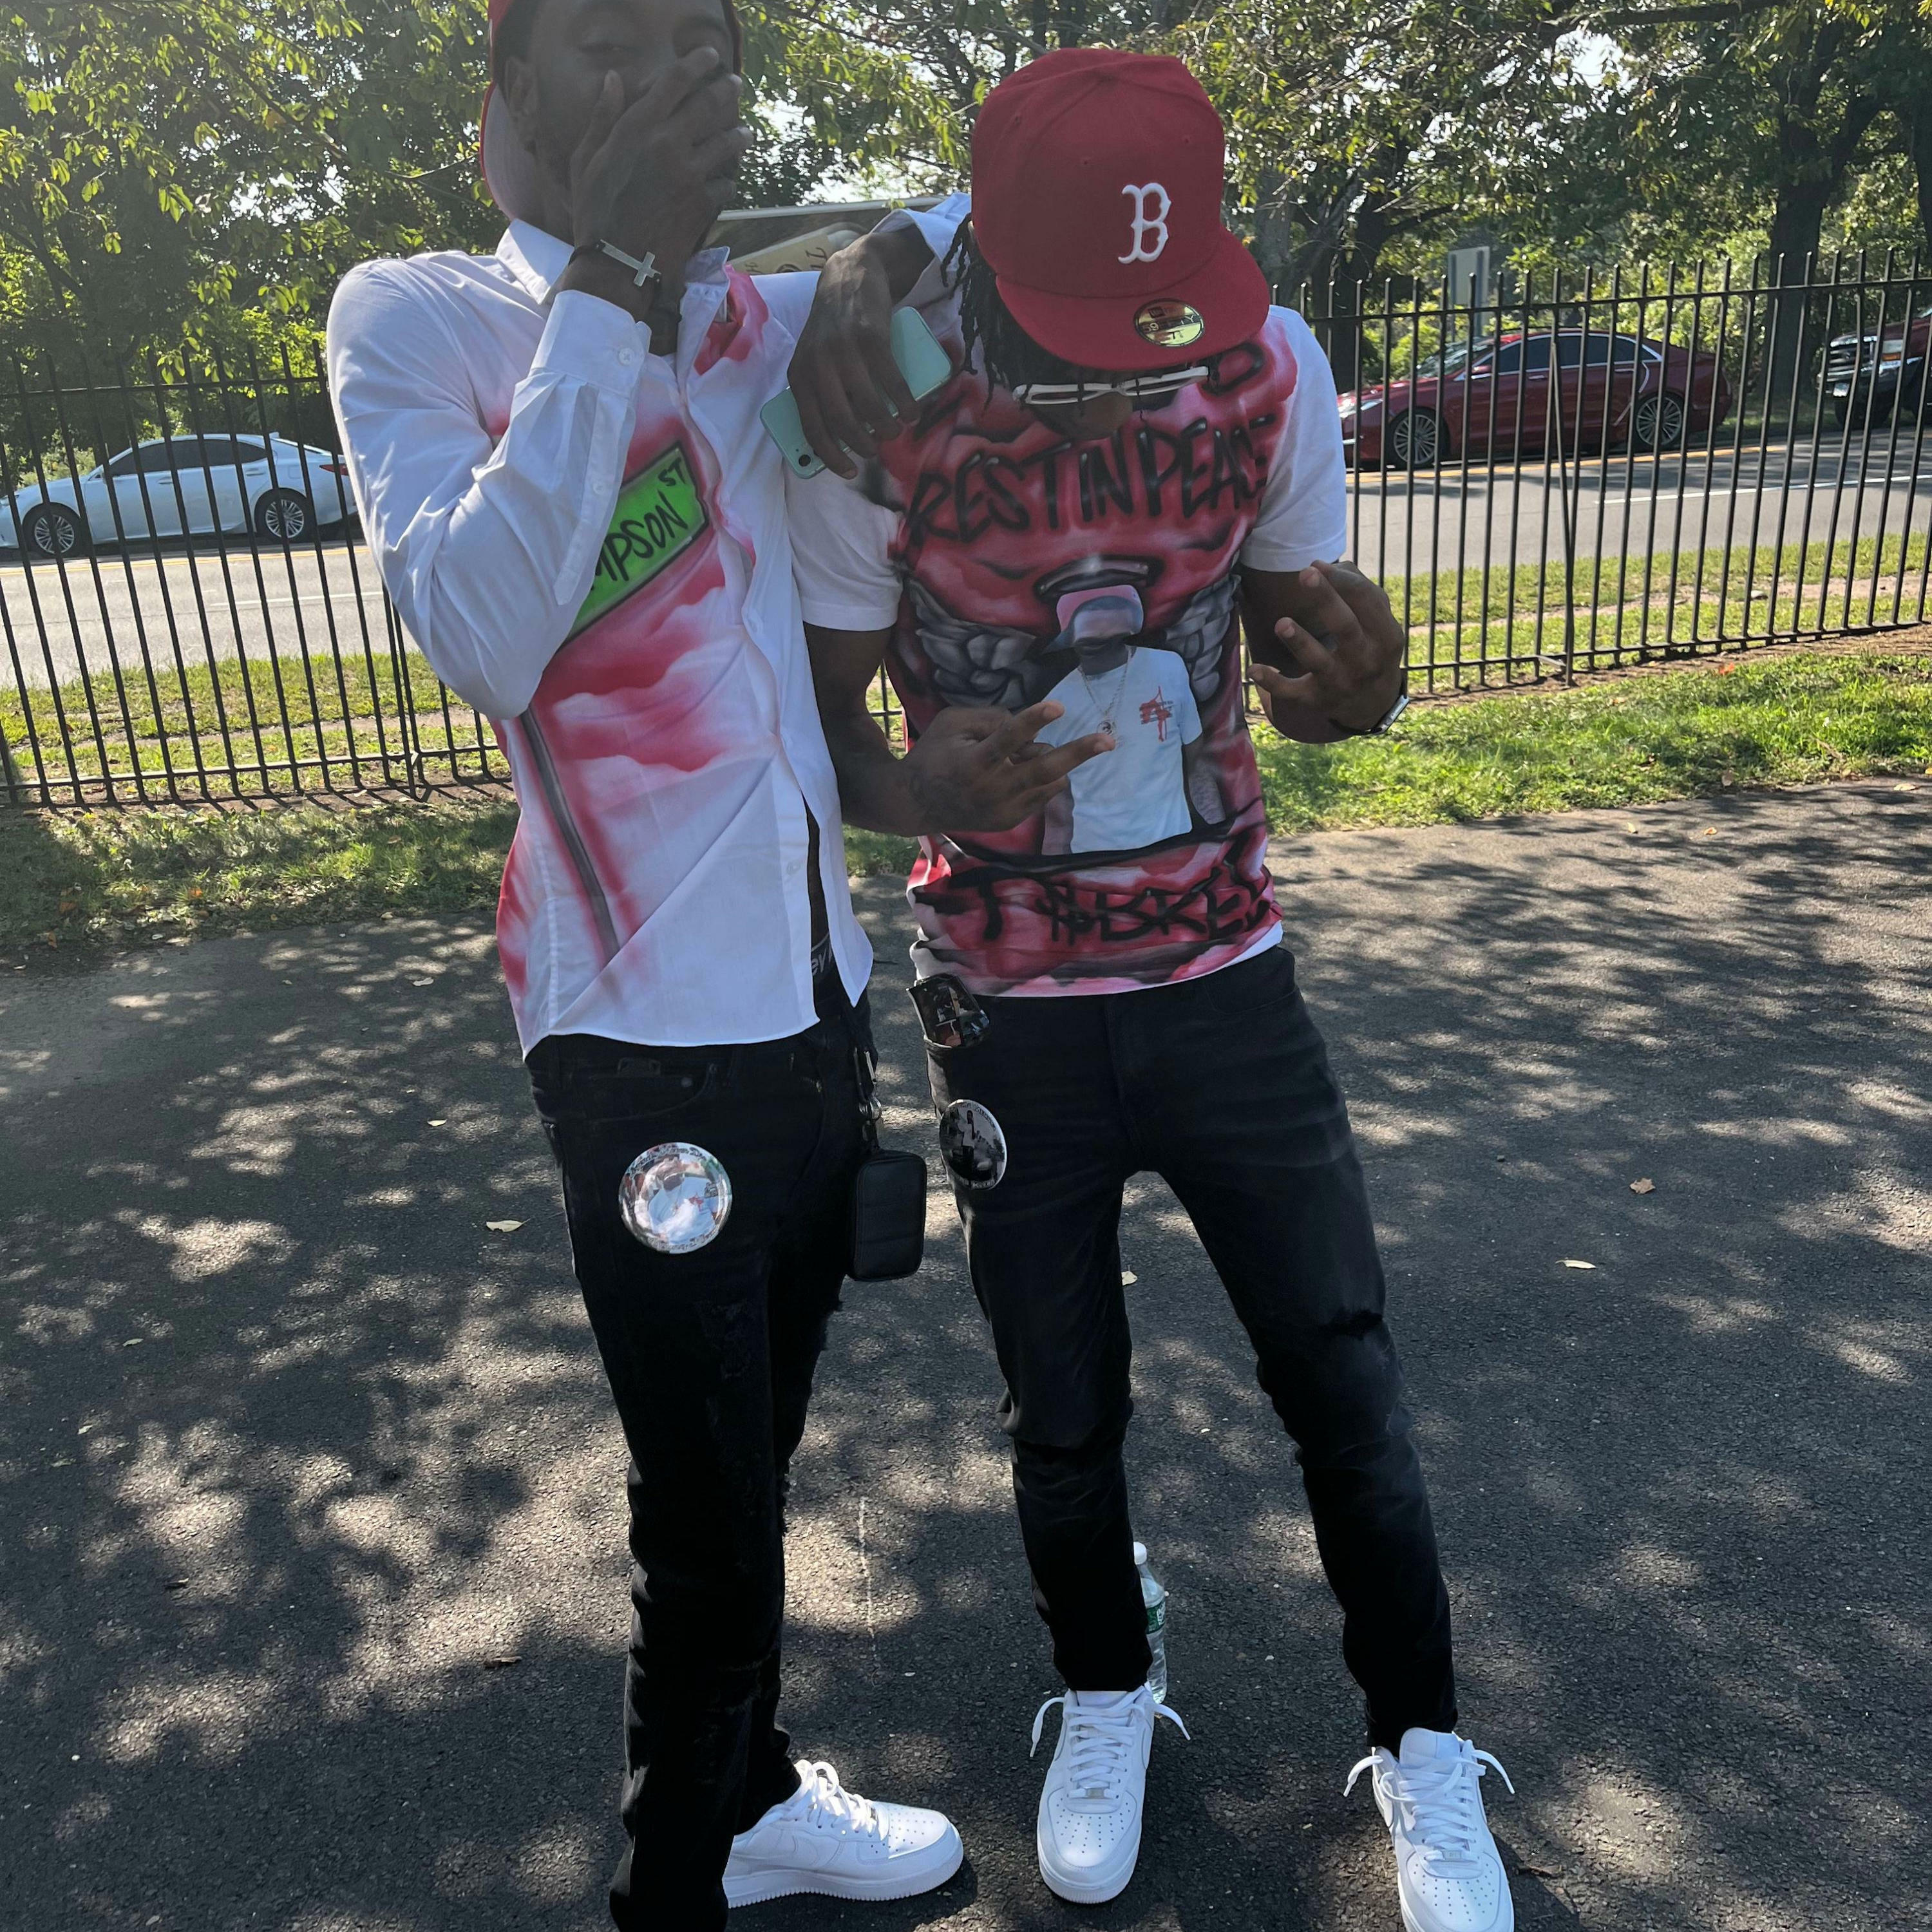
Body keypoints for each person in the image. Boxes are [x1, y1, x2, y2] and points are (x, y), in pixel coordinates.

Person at [327, 3, 1100, 1924]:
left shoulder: (764, 324)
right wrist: (604, 282)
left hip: (813, 1009)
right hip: (632, 1041)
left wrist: (887, 253)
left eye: (704, 43)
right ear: (504, 90)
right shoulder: (418, 320)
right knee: (712, 1536)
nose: (672, 81)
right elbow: (486, 631)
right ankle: (671, 1882)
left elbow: (1028, 203)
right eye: (615, 40)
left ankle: (747, 1806)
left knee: (753, 1463)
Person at [790, 48, 1517, 1932]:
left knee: (1341, 1373)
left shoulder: (1267, 364)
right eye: (1083, 342)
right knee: (1060, 1407)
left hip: (1225, 973)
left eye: (1160, 321)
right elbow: (826, 732)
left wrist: (1361, 694)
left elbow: (1307, 653)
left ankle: (1424, 1744)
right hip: (1003, 994)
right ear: (986, 263)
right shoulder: (876, 395)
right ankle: (1111, 1684)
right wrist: (915, 789)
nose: (1133, 373)